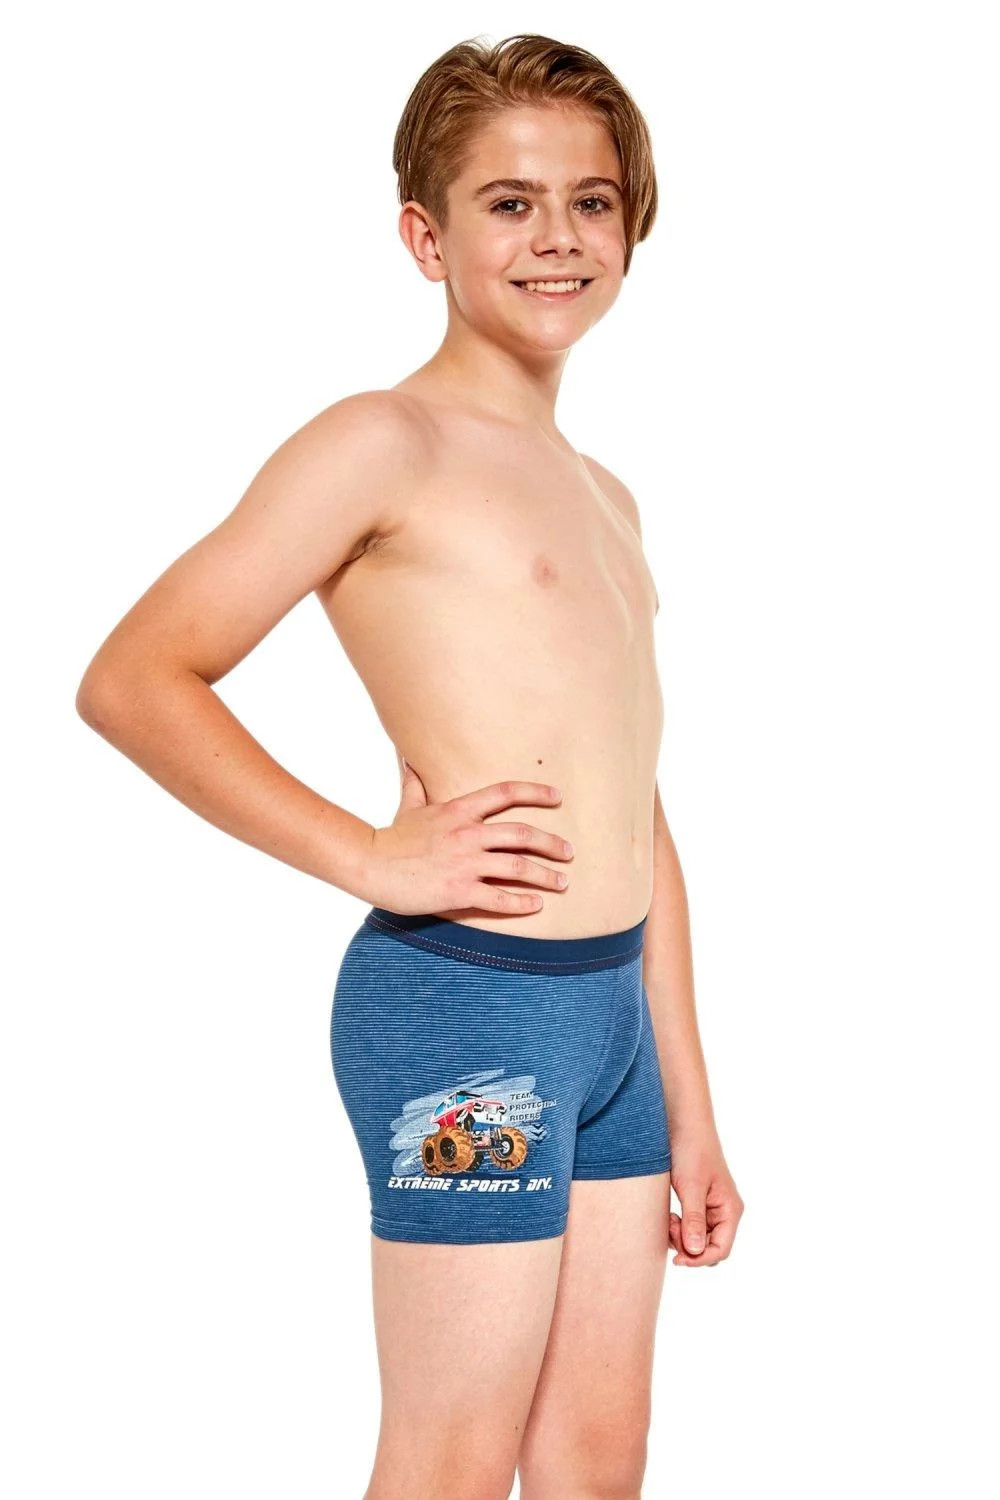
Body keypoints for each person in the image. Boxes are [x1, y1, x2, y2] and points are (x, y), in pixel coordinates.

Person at [76, 31, 744, 1500]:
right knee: (451, 1462)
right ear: (426, 239)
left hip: (616, 1028)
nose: (557, 235)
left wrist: (691, 1101)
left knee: (595, 1463)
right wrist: (369, 855)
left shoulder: (606, 496)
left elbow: (636, 803)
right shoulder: (382, 443)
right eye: (510, 203)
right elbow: (134, 678)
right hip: (468, 1013)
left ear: (632, 226)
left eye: (591, 200)